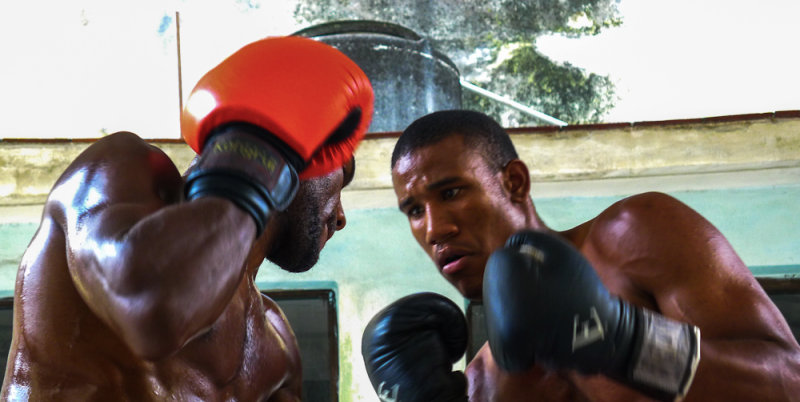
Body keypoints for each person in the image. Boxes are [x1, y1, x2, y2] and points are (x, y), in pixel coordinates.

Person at [1, 36, 373, 401]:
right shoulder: (116, 171)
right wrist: (259, 149)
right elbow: (152, 310)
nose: (340, 217)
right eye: (341, 167)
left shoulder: (276, 347)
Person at [361, 109, 800, 401]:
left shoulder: (631, 237)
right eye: (415, 211)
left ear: (514, 182)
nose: (435, 229)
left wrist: (622, 340)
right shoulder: (481, 383)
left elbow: (789, 380)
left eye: (452, 192)